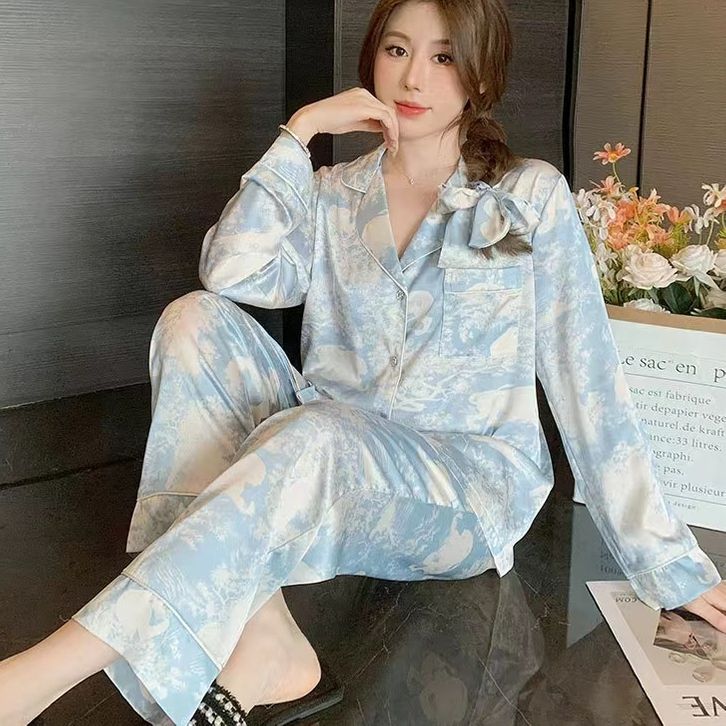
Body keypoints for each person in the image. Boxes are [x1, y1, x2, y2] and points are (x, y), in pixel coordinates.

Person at [2, 0, 725, 724]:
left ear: (480, 75)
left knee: (318, 435)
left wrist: (668, 563)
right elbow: (229, 271)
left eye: (444, 56)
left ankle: (39, 675)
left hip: (465, 483)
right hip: (328, 448)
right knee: (192, 321)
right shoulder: (332, 195)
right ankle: (267, 639)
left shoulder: (527, 194)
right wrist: (299, 133)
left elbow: (588, 380)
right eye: (397, 50)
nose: (413, 78)